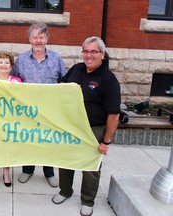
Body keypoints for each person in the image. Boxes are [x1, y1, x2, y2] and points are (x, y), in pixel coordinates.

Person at [52, 36, 121, 216]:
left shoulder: (109, 79)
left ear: (102, 55)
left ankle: (87, 200)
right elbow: (62, 87)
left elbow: (114, 114)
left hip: (93, 129)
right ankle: (65, 191)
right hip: (71, 126)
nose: (89, 55)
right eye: (86, 51)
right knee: (65, 160)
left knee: (90, 167)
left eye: (93, 51)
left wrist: (106, 141)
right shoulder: (77, 69)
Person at [11, 22, 66, 188]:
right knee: (28, 140)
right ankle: (28, 169)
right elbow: (13, 81)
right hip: (27, 110)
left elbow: (64, 82)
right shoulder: (21, 60)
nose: (38, 40)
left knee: (48, 142)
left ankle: (49, 172)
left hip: (50, 110)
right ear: (29, 39)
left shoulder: (57, 59)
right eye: (35, 37)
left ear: (47, 39)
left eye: (41, 37)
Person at [0, 51, 22, 188]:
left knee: (7, 148)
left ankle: (6, 173)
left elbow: (22, 101)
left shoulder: (17, 81)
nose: (3, 65)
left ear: (11, 66)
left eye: (7, 62)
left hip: (10, 120)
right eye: (1, 62)